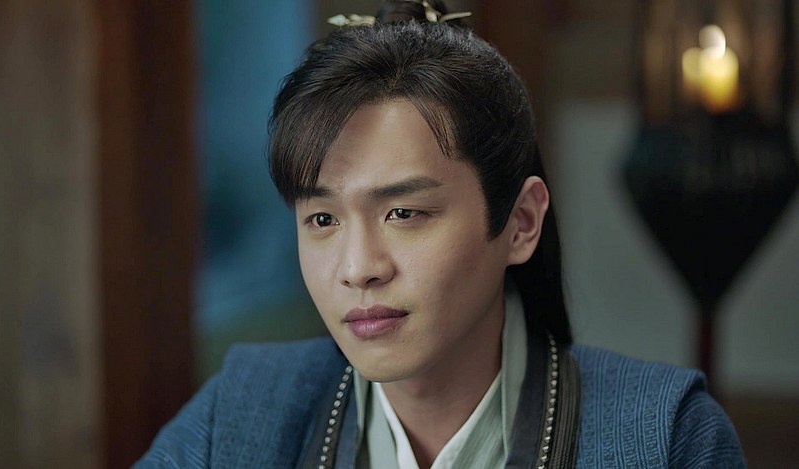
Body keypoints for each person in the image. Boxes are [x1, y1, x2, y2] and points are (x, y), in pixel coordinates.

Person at [136, 1, 745, 467]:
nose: (359, 267)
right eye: (323, 219)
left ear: (521, 222)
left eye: (404, 213)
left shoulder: (666, 436)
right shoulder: (239, 416)